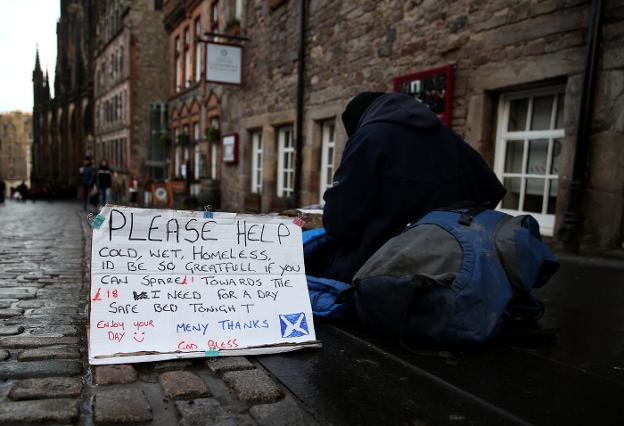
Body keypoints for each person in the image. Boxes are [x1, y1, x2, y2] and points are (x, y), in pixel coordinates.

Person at [321, 92, 506, 283]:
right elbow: (491, 189)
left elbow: (338, 222)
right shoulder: (446, 135)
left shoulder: (369, 137)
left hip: (380, 270)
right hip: (453, 268)